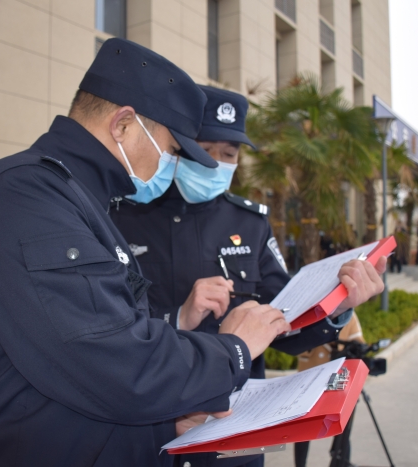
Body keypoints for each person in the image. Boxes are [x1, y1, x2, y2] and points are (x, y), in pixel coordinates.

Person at [0, 39, 293, 467]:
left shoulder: (78, 199)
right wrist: (234, 348)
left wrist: (165, 426)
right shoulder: (27, 197)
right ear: (123, 125)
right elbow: (118, 364)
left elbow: (99, 348)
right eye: (171, 147)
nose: (170, 162)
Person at [110, 86, 387, 467]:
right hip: (154, 424)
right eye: (206, 150)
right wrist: (177, 316)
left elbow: (286, 325)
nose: (217, 163)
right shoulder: (126, 216)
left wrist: (340, 304)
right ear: (180, 146)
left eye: (229, 154)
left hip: (235, 430)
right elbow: (108, 326)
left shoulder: (250, 222)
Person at [293, 313, 366, 467]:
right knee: (303, 431)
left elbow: (359, 342)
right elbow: (295, 343)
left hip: (338, 380)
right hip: (309, 380)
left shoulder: (349, 316)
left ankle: (340, 461)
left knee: (342, 427)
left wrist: (352, 348)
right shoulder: (309, 313)